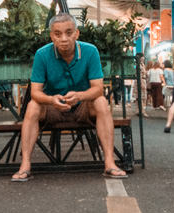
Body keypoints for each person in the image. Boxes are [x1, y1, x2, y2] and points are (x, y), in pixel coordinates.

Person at [12, 13, 126, 182]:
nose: (63, 38)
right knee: (32, 106)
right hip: (53, 106)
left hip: (82, 105)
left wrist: (79, 95)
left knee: (101, 102)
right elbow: (35, 92)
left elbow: (98, 89)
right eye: (58, 34)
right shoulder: (42, 55)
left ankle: (110, 163)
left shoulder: (90, 51)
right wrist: (52, 100)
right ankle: (25, 165)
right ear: (51, 36)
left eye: (68, 32)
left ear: (76, 34)